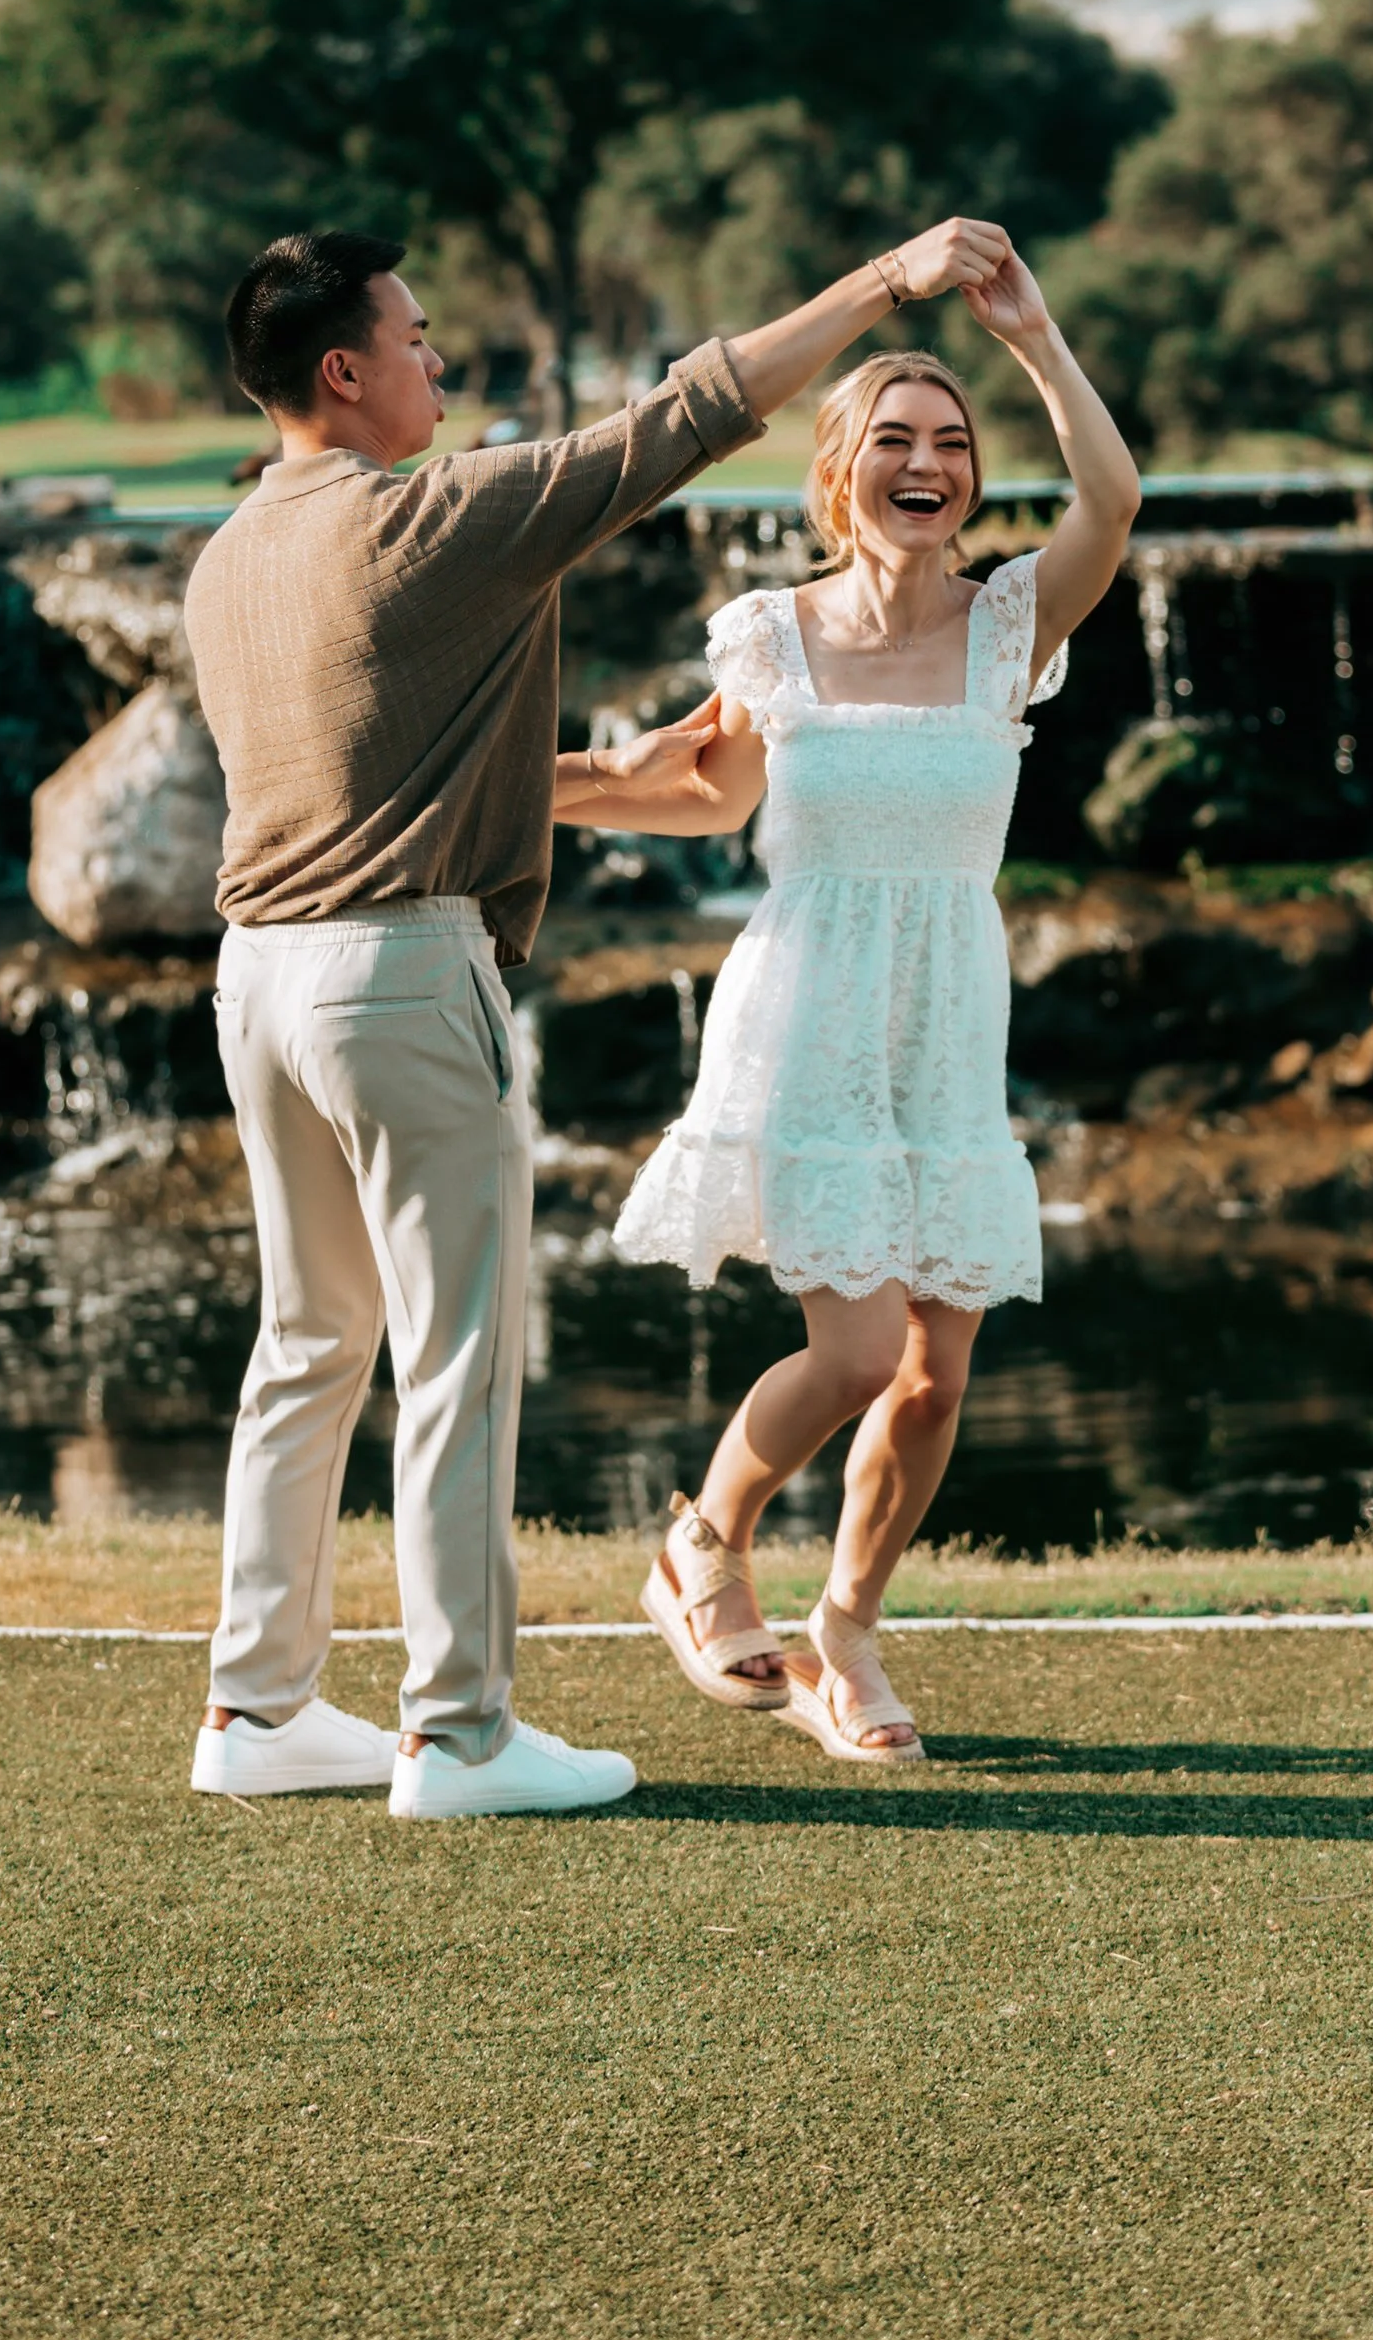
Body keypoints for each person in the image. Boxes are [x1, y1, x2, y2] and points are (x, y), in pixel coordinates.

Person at [184, 213, 1012, 1822]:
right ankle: (463, 1733)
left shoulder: (230, 556)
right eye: (415, 340)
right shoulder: (441, 517)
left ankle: (257, 1706)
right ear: (343, 373)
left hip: (256, 980)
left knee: (307, 1346)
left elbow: (373, 745)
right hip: (397, 976)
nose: (440, 362)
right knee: (459, 1361)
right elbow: (692, 410)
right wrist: (877, 285)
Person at [553, 244, 1141, 1765]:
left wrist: (1030, 339)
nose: (926, 463)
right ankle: (703, 1536)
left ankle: (847, 1628)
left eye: (950, 444)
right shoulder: (770, 636)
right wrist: (532, 791)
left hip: (946, 1014)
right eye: (894, 438)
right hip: (806, 1006)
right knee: (865, 1350)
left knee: (940, 1372)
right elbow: (700, 788)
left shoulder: (1015, 627)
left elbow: (1115, 502)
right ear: (839, 472)